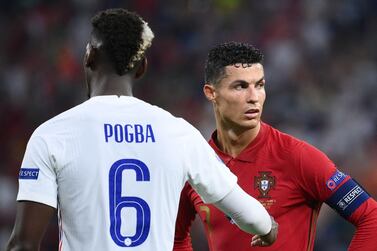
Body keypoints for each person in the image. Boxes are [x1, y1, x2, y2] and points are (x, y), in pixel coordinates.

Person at [5, 10, 278, 251]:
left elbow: (24, 244)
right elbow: (249, 214)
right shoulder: (178, 133)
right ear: (142, 67)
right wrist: (267, 228)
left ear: (89, 56)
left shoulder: (52, 135)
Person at [173, 42, 377, 251]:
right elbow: (175, 238)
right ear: (211, 92)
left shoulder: (296, 156)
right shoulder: (197, 165)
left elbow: (371, 217)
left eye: (259, 85)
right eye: (240, 86)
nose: (254, 97)